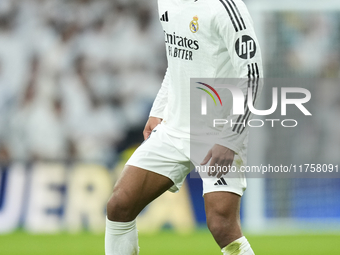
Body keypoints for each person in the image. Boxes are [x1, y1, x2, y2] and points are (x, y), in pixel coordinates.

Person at [105, 0, 263, 254]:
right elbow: (178, 58)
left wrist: (231, 139)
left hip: (218, 131)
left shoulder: (226, 8)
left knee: (222, 226)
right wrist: (158, 110)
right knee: (120, 204)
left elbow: (252, 76)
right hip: (174, 127)